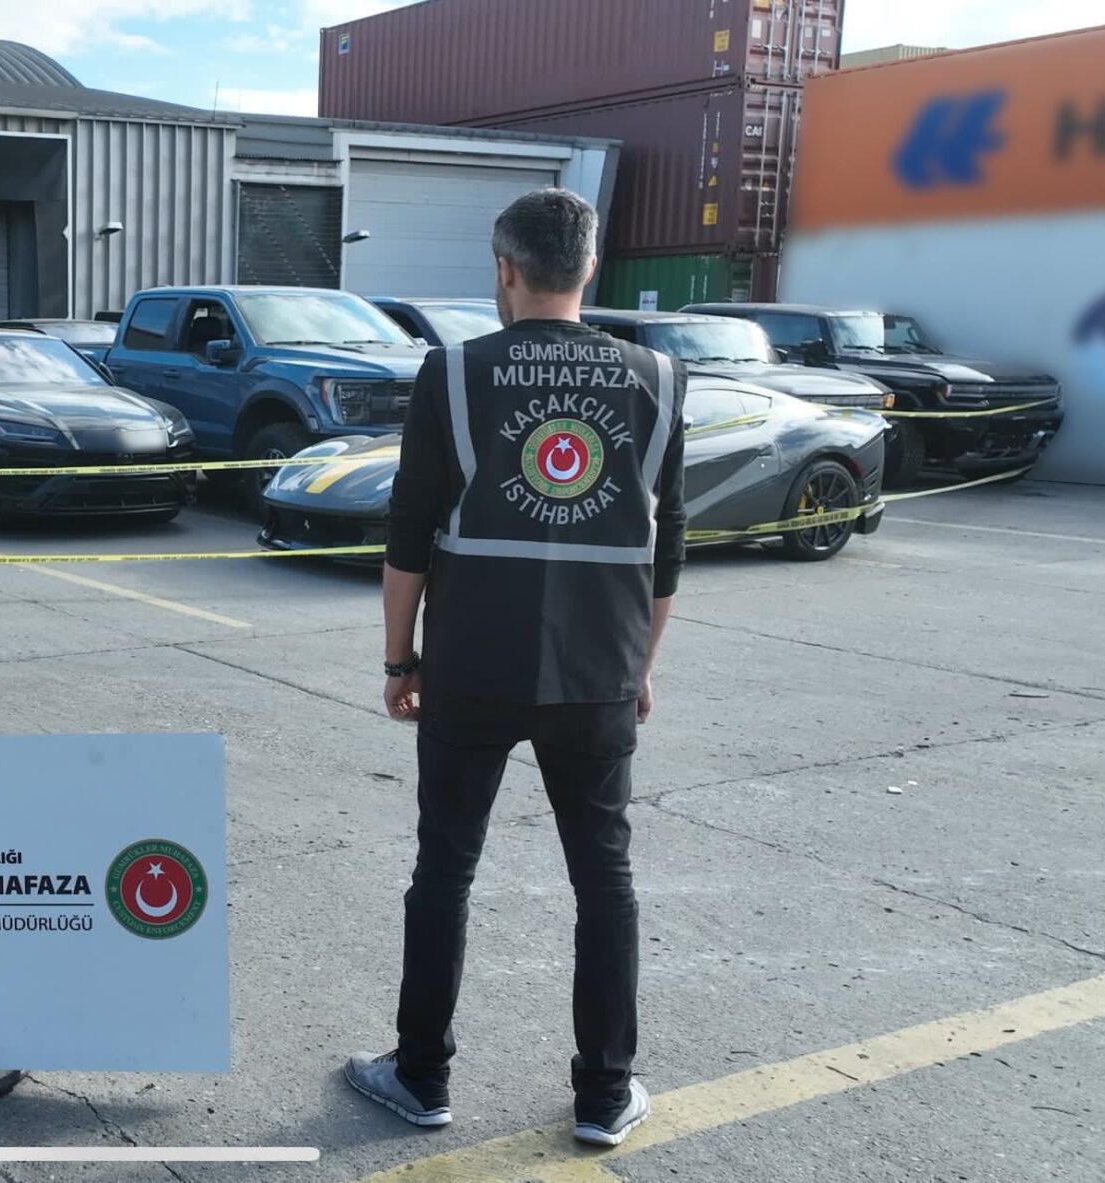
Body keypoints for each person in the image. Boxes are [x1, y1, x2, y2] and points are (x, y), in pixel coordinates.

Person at [343, 188, 686, 1148]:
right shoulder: (660, 377)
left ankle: (421, 1076)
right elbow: (667, 545)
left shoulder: (453, 373)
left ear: (504, 268)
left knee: (444, 869)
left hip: (471, 666)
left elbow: (409, 529)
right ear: (590, 266)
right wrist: (640, 666)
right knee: (604, 879)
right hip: (599, 669)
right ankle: (604, 1093)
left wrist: (399, 658)